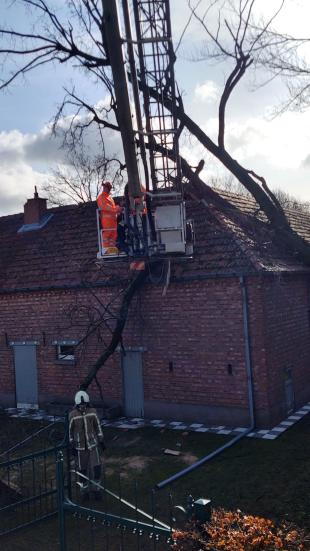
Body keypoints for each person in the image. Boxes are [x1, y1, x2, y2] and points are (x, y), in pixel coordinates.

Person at [69, 390, 106, 501]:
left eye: (84, 404)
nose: (82, 407)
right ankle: (84, 492)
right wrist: (72, 445)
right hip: (80, 447)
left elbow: (98, 426)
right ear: (77, 404)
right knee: (82, 471)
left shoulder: (93, 412)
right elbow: (69, 431)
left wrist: (101, 440)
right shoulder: (72, 415)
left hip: (92, 445)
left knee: (96, 468)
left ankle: (97, 490)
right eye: (80, 405)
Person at [97, 181, 121, 255]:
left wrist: (118, 209)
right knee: (107, 234)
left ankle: (112, 250)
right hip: (107, 220)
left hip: (113, 221)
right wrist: (115, 209)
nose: (104, 188)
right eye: (104, 187)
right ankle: (105, 250)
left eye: (106, 187)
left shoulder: (109, 197)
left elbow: (112, 208)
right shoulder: (101, 197)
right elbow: (104, 206)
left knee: (113, 235)